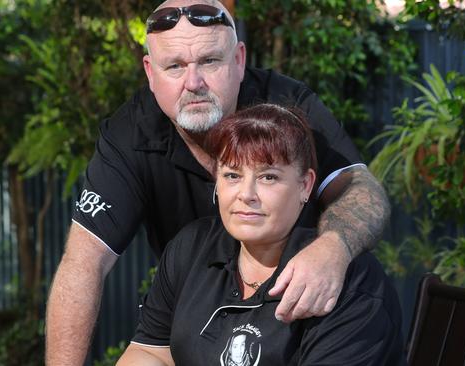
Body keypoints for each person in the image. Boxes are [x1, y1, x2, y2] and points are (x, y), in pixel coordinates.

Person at [45, 1, 391, 364]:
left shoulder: (288, 109)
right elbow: (84, 263)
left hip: (305, 312)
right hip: (201, 323)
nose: (193, 83)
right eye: (175, 66)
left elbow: (361, 191)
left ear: (239, 60)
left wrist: (333, 250)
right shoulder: (131, 138)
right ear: (150, 72)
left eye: (209, 61)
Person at [116, 104, 404, 365]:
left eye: (268, 177)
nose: (246, 195)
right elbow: (150, 351)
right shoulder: (191, 248)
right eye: (233, 176)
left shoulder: (347, 281)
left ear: (305, 185)